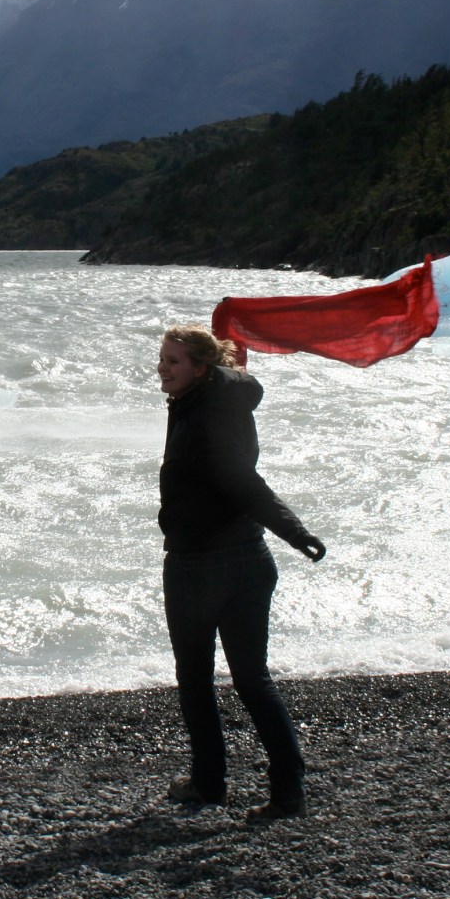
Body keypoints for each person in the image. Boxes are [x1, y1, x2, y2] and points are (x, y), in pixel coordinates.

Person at [156, 324, 326, 823]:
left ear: (200, 368)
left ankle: (210, 783)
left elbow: (244, 483)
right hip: (249, 559)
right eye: (162, 358)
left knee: (197, 678)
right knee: (252, 678)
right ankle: (286, 792)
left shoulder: (205, 416)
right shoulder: (212, 401)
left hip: (200, 566)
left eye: (173, 361)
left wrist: (295, 531)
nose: (162, 368)